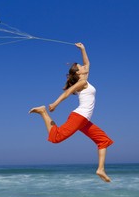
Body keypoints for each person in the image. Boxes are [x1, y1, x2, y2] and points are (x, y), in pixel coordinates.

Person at [29, 43, 114, 182]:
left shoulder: (85, 79)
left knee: (103, 140)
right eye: (81, 67)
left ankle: (100, 169)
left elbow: (88, 62)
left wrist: (83, 49)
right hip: (79, 117)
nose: (84, 67)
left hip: (84, 120)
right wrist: (55, 103)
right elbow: (68, 92)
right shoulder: (82, 82)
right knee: (56, 138)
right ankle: (43, 112)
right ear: (78, 73)